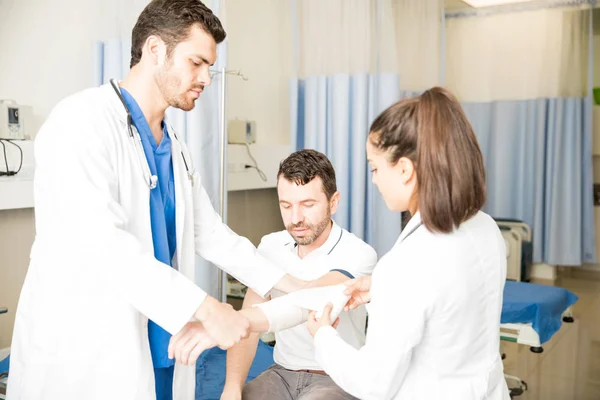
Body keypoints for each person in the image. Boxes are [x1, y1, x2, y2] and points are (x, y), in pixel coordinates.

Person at [7, 1, 304, 399]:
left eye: (209, 67)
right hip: (87, 346)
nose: (207, 79)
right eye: (196, 62)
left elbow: (211, 233)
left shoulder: (174, 146)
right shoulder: (79, 124)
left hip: (160, 339)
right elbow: (103, 246)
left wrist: (294, 284)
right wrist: (210, 309)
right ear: (154, 50)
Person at [306, 87, 511, 399]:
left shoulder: (407, 263)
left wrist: (322, 336)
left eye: (375, 168)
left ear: (404, 169)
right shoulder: (485, 227)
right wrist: (382, 289)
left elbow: (373, 384)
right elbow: (453, 300)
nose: (373, 180)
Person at [217, 149, 377, 400]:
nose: (295, 219)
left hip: (335, 377)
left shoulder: (358, 254)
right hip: (281, 373)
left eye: (308, 205)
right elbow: (248, 327)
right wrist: (232, 388)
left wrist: (223, 320)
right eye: (286, 205)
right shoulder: (270, 246)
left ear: (333, 202)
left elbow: (307, 301)